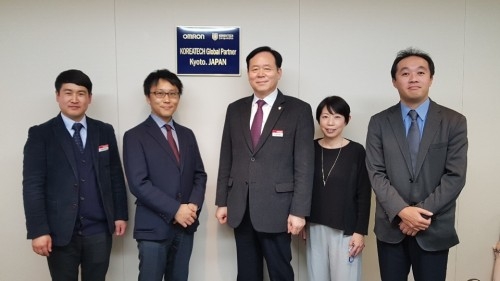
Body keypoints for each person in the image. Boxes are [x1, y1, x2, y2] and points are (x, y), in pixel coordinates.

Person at [365, 47, 468, 281]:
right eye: (405, 73)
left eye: (420, 72)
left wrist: (418, 216)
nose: (413, 78)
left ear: (431, 78)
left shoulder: (454, 122)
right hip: (392, 228)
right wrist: (402, 211)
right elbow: (376, 173)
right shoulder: (379, 122)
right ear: (394, 81)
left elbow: (455, 176)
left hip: (433, 228)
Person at [215, 46, 315, 281]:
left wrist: (299, 211)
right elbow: (226, 157)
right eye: (254, 69)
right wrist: (222, 201)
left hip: (278, 209)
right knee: (247, 274)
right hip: (241, 207)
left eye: (267, 68)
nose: (260, 74)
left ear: (279, 72)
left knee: (280, 273)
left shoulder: (298, 110)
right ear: (248, 73)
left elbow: (304, 165)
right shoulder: (235, 109)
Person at [22, 69, 129, 281]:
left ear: (89, 98)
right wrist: (38, 230)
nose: (74, 99)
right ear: (57, 96)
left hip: (99, 230)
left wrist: (120, 214)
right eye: (68, 92)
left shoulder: (104, 131)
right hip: (60, 232)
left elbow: (115, 175)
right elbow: (32, 185)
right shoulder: (41, 134)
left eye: (81, 93)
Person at [123, 69, 207, 281]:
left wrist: (192, 207)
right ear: (148, 97)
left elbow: (199, 175)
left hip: (185, 226)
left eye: (173, 93)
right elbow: (138, 183)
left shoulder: (187, 135)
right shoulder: (135, 136)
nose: (167, 99)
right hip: (153, 228)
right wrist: (175, 209)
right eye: (160, 93)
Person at [302, 96, 371, 281]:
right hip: (315, 226)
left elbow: (364, 195)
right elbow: (300, 184)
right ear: (318, 120)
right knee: (316, 277)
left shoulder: (357, 151)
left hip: (346, 231)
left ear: (347, 119)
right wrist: (300, 215)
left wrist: (360, 232)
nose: (330, 123)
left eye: (337, 117)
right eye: (325, 117)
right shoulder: (309, 148)